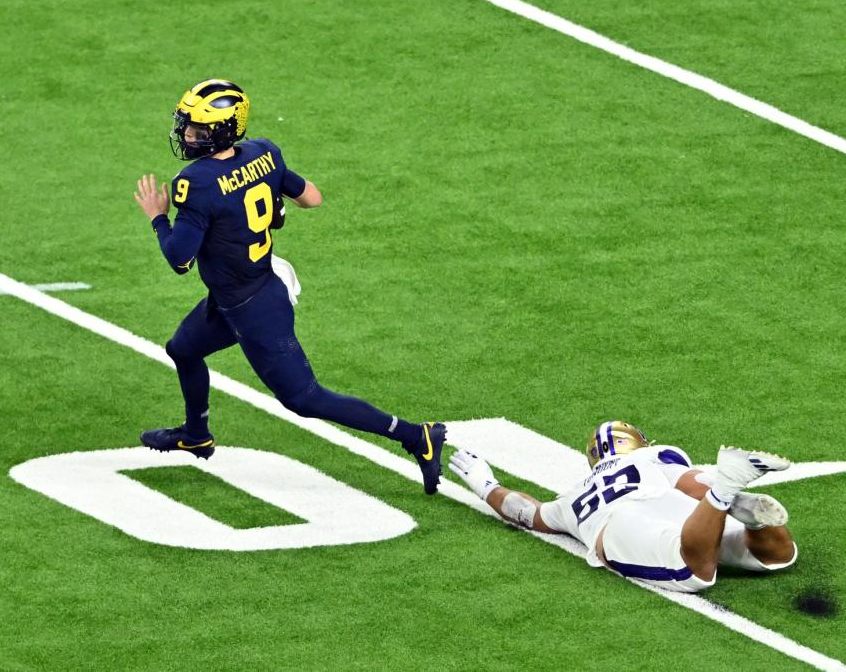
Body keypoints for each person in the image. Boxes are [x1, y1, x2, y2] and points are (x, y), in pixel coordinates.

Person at [132, 78, 445, 494]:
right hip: (242, 289)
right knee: (183, 348)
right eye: (187, 126)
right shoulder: (263, 153)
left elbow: (180, 259)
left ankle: (415, 436)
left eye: (198, 129)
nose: (188, 135)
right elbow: (311, 198)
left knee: (304, 399)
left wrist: (158, 217)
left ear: (224, 130)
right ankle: (196, 435)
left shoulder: (197, 182)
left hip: (254, 306)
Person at [449, 420, 797, 592]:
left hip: (620, 525)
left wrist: (486, 485)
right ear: (638, 441)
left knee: (693, 571)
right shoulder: (654, 456)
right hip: (680, 509)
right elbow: (691, 483)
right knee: (778, 554)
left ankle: (725, 492)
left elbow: (526, 513)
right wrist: (718, 492)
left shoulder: (574, 496)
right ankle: (739, 510)